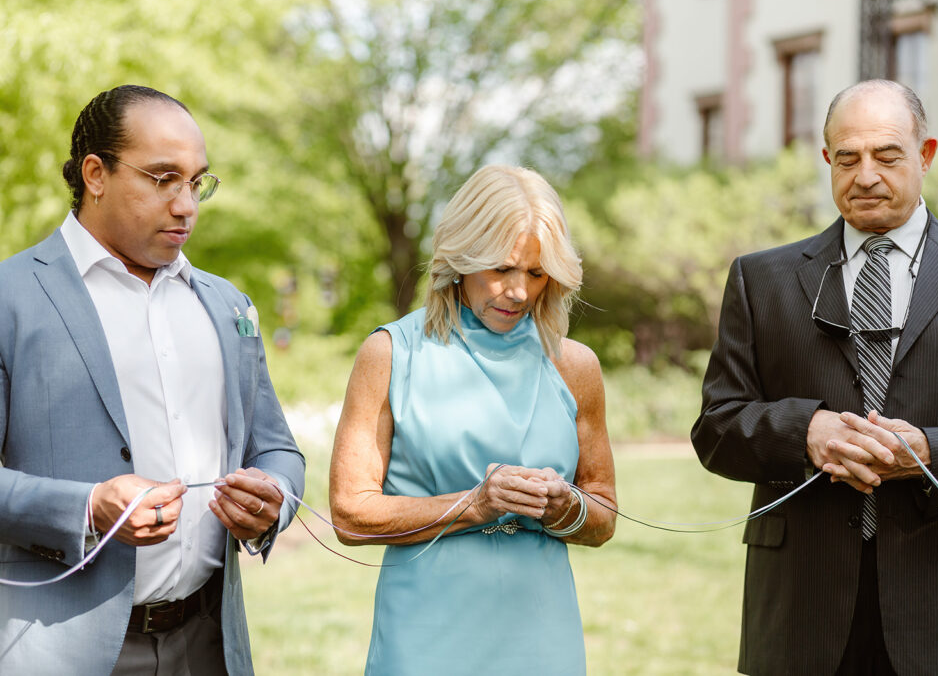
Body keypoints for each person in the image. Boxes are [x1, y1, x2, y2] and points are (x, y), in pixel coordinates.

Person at [692, 79, 938, 676]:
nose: (865, 175)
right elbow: (715, 428)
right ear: (827, 161)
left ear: (925, 155)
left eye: (887, 155)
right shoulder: (758, 281)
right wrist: (804, 432)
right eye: (847, 158)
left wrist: (930, 451)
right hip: (803, 611)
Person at [0, 85, 306, 675]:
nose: (186, 204)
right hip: (59, 653)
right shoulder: (10, 298)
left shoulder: (227, 304)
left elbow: (276, 446)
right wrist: (88, 507)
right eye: (164, 178)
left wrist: (273, 496)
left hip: (210, 643)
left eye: (197, 182)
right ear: (95, 174)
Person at [330, 164, 616, 675]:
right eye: (502, 269)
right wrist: (474, 504)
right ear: (460, 258)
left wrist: (561, 505)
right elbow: (350, 514)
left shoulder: (576, 366)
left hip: (541, 633)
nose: (519, 293)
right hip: (426, 631)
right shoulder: (390, 353)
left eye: (535, 272)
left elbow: (604, 517)